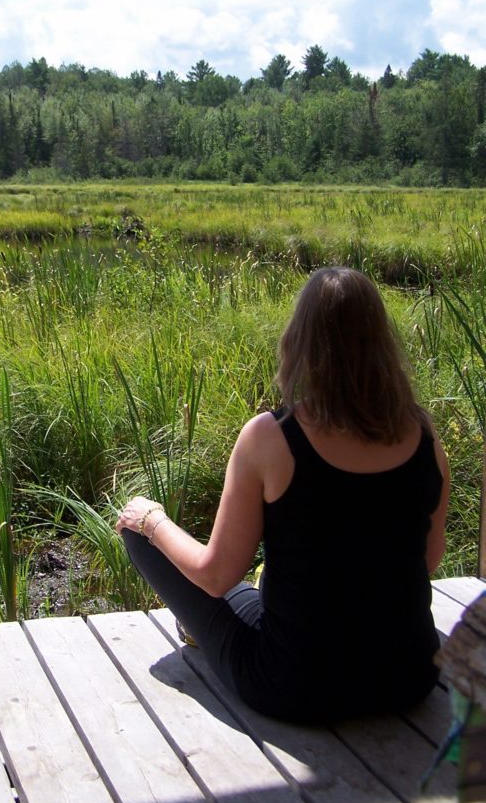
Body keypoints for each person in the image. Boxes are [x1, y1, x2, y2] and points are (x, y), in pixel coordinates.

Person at [115, 266, 450, 724]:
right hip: (410, 677)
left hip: (293, 686)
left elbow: (216, 576)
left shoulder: (270, 437)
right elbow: (427, 561)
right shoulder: (425, 434)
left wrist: (151, 520)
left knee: (138, 533)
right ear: (382, 344)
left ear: (301, 341)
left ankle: (174, 578)